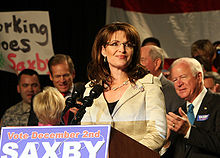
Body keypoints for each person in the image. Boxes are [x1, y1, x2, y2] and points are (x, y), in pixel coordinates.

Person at [80, 22, 166, 151]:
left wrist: (125, 153)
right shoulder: (91, 89)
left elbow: (157, 133)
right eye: (115, 44)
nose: (122, 50)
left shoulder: (149, 85)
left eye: (128, 45)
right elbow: (86, 135)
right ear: (103, 50)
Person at [162, 57, 220, 158]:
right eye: (175, 80)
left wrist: (188, 131)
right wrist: (166, 143)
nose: (178, 84)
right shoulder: (177, 114)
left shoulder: (217, 103)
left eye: (183, 77)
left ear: (198, 76)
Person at [140, 45, 185, 113]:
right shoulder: (132, 88)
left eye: (141, 60)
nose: (137, 65)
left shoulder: (174, 91)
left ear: (157, 63)